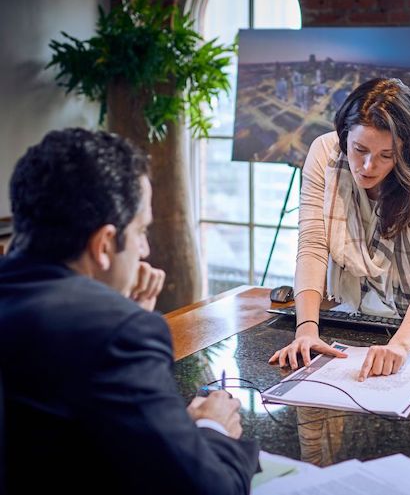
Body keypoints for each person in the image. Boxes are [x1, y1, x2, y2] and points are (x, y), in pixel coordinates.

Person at [0, 128, 259, 495]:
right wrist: (209, 430)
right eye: (141, 230)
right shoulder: (118, 332)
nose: (145, 248)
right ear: (104, 244)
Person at [269, 78, 410, 381]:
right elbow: (313, 246)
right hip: (360, 297)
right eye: (360, 150)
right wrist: (306, 330)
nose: (369, 166)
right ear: (345, 135)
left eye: (387, 155)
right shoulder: (325, 155)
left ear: (405, 151)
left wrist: (399, 345)